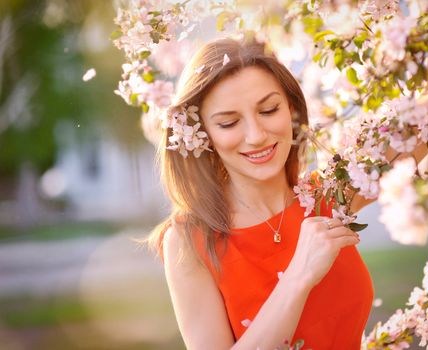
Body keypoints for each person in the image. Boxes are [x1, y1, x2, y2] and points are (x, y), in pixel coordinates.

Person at [148, 37, 378, 350]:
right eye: (229, 123)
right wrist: (298, 276)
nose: (256, 136)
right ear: (203, 135)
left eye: (269, 110)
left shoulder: (328, 194)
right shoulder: (190, 240)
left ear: (292, 109)